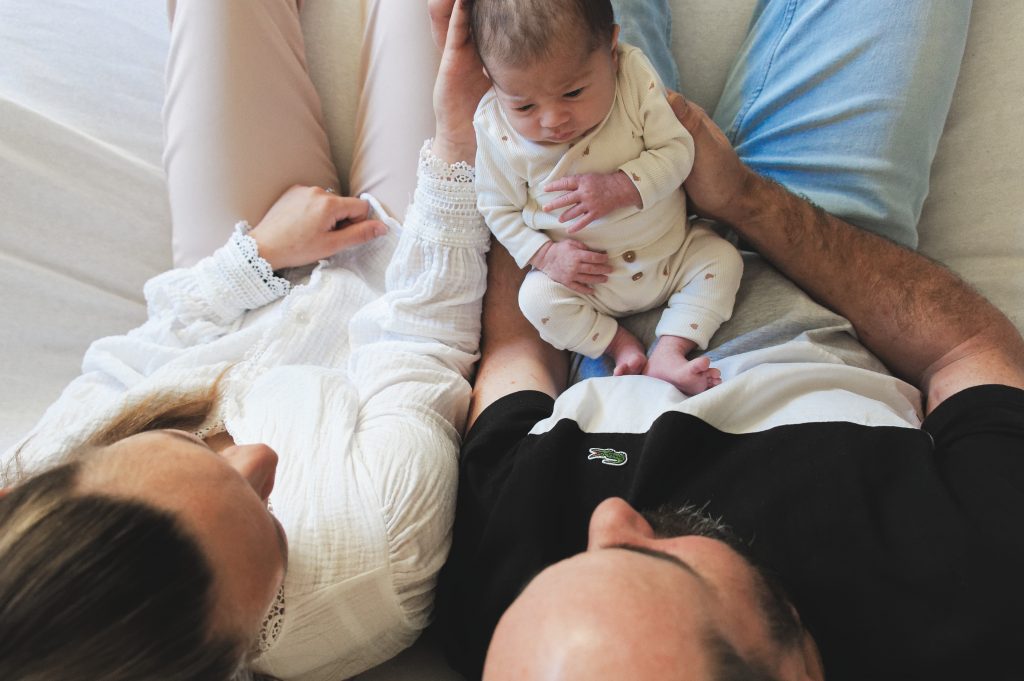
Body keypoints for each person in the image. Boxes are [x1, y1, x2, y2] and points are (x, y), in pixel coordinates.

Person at [434, 0, 1024, 679]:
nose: (608, 516)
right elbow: (970, 351)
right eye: (650, 560)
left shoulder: (509, 631)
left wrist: (490, 131)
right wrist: (744, 199)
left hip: (595, 277)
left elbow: (516, 350)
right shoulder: (976, 603)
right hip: (826, 251)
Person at [0, 0, 491, 679]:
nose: (260, 455)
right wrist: (458, 145)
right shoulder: (380, 548)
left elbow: (143, 350)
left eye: (180, 446)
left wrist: (256, 254)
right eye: (274, 529)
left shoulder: (37, 468)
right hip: (404, 265)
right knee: (445, 20)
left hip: (253, 258)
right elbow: (426, 337)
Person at [472, 0, 742, 394]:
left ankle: (671, 349)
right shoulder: (495, 128)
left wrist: (622, 186)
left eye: (573, 92)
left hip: (672, 255)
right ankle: (616, 343)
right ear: (492, 81)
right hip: (586, 284)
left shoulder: (633, 79)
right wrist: (546, 256)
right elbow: (497, 208)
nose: (553, 120)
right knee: (536, 299)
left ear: (612, 51)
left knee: (724, 259)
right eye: (524, 105)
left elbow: (677, 151)